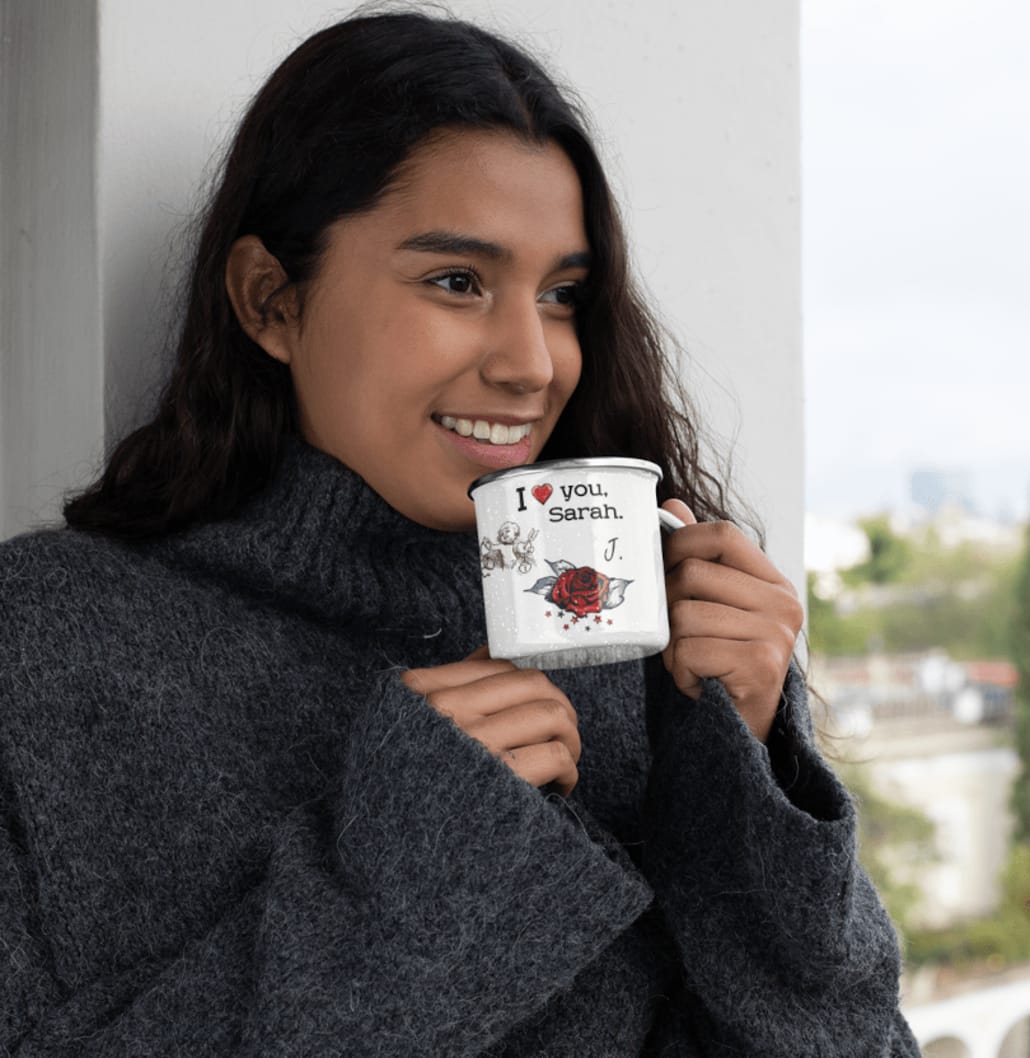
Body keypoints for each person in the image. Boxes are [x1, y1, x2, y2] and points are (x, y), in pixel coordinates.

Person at [0, 10, 919, 1056]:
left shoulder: (643, 655)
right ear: (269, 300)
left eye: (564, 294)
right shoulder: (41, 645)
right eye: (456, 282)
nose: (532, 362)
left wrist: (748, 765)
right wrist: (406, 870)